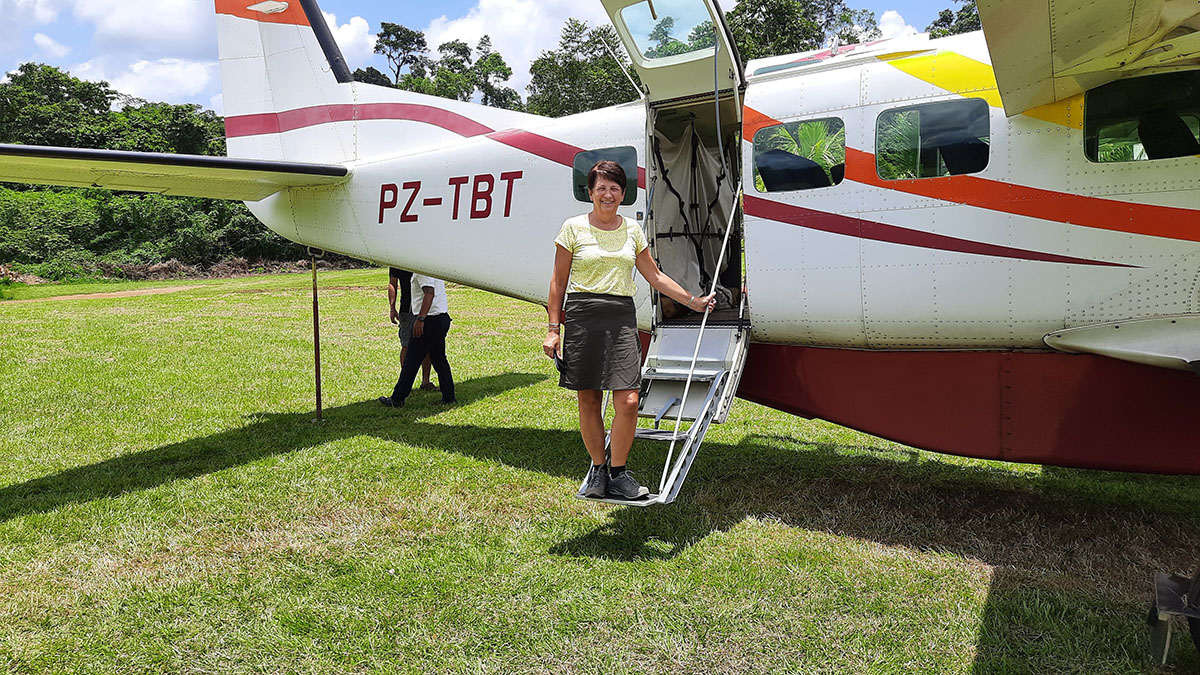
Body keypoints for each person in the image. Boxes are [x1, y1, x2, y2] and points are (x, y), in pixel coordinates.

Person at [543, 160, 715, 500]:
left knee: (629, 400)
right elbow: (557, 282)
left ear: (623, 194)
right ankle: (597, 470)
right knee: (589, 400)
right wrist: (553, 328)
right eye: (601, 188)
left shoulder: (632, 231)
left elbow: (655, 276)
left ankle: (619, 473)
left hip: (621, 318)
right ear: (590, 192)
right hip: (582, 316)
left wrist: (692, 301)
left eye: (615, 188)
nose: (608, 194)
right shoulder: (573, 228)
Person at [380, 272, 456, 407]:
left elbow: (429, 293)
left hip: (429, 320)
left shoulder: (422, 271)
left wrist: (421, 319)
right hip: (440, 317)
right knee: (439, 360)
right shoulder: (432, 268)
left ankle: (397, 399)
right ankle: (449, 397)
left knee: (412, 361)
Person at [388, 268, 435, 392]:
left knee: (427, 346)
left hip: (426, 308)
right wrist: (392, 308)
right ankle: (406, 382)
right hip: (407, 310)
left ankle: (426, 381)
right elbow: (392, 283)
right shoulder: (397, 261)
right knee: (407, 345)